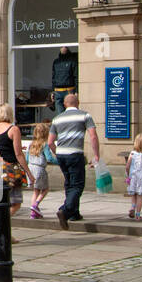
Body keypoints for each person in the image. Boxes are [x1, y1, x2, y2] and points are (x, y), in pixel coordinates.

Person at [48, 92, 99, 229]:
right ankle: (65, 210)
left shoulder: (57, 119)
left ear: (64, 104)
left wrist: (57, 153)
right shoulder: (84, 115)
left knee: (69, 183)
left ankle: (74, 213)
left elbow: (50, 142)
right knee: (77, 185)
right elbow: (93, 136)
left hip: (62, 155)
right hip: (75, 154)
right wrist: (96, 155)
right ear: (78, 102)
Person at [0, 102, 30, 217]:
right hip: (9, 168)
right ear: (10, 114)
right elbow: (19, 154)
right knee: (16, 203)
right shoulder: (13, 129)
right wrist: (29, 173)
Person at [26, 121, 55, 219]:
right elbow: (49, 158)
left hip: (30, 168)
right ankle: (35, 205)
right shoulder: (44, 145)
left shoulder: (31, 144)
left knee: (35, 191)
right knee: (45, 189)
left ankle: (33, 212)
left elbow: (26, 159)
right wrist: (58, 161)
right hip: (39, 169)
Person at [51, 45, 78, 113]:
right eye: (61, 46)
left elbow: (76, 76)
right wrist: (52, 91)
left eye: (65, 46)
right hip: (57, 91)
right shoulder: (56, 62)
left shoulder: (72, 61)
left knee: (70, 113)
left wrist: (76, 91)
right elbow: (53, 77)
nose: (63, 48)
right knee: (60, 115)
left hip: (69, 90)